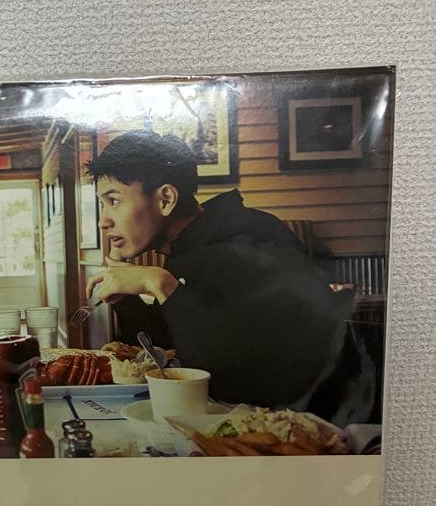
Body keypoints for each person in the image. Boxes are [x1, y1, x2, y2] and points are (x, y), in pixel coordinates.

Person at [85, 131, 366, 420]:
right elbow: (170, 347)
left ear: (165, 199)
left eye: (113, 200)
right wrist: (126, 297)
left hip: (312, 423)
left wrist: (161, 284)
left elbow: (227, 374)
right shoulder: (191, 246)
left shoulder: (249, 239)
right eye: (102, 204)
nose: (103, 221)